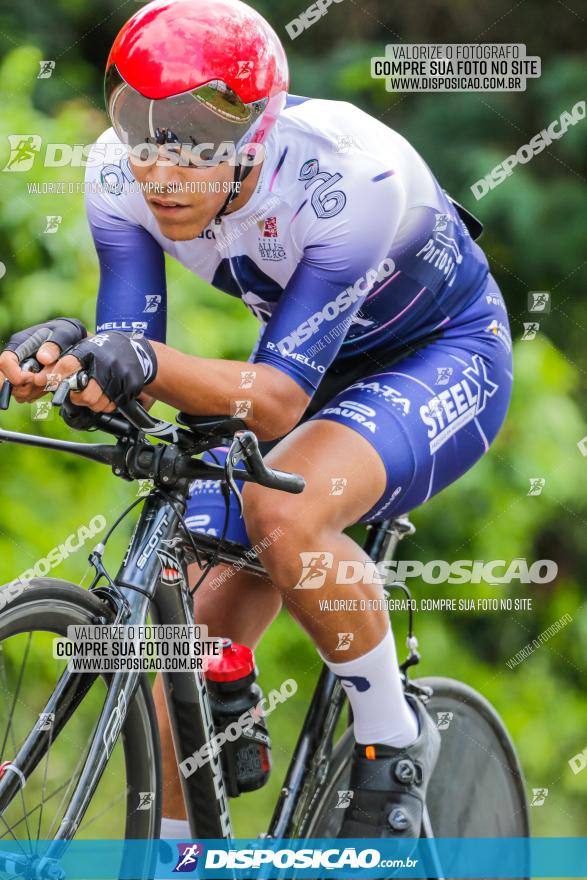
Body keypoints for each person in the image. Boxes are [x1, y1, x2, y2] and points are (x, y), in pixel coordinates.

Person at [0, 0, 513, 840]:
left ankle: (393, 742)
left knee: (283, 506)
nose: (161, 172)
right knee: (179, 642)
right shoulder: (115, 171)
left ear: (254, 135)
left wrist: (147, 365)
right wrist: (75, 363)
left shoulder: (348, 175)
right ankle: (178, 855)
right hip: (297, 358)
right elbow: (137, 358)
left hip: (435, 354)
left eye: (195, 143)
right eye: (143, 132)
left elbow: (274, 402)